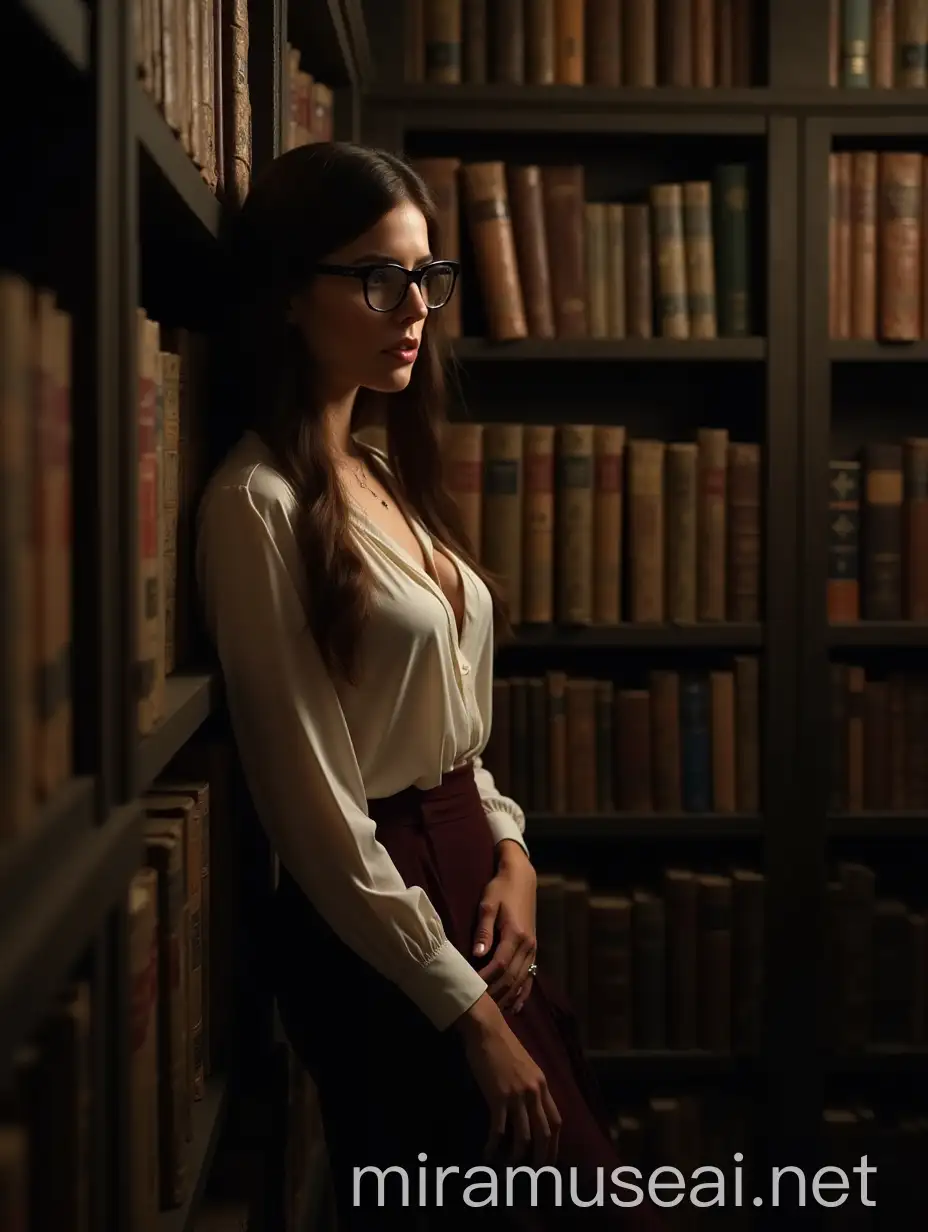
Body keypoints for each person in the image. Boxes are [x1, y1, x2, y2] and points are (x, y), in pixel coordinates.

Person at [196, 142, 662, 1230]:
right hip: (382, 929)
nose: (414, 307)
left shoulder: (384, 473)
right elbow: (313, 807)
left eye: (425, 276)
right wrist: (466, 1013)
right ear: (291, 297)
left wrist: (514, 851)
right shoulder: (253, 505)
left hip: (469, 879)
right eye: (377, 276)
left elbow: (456, 734)